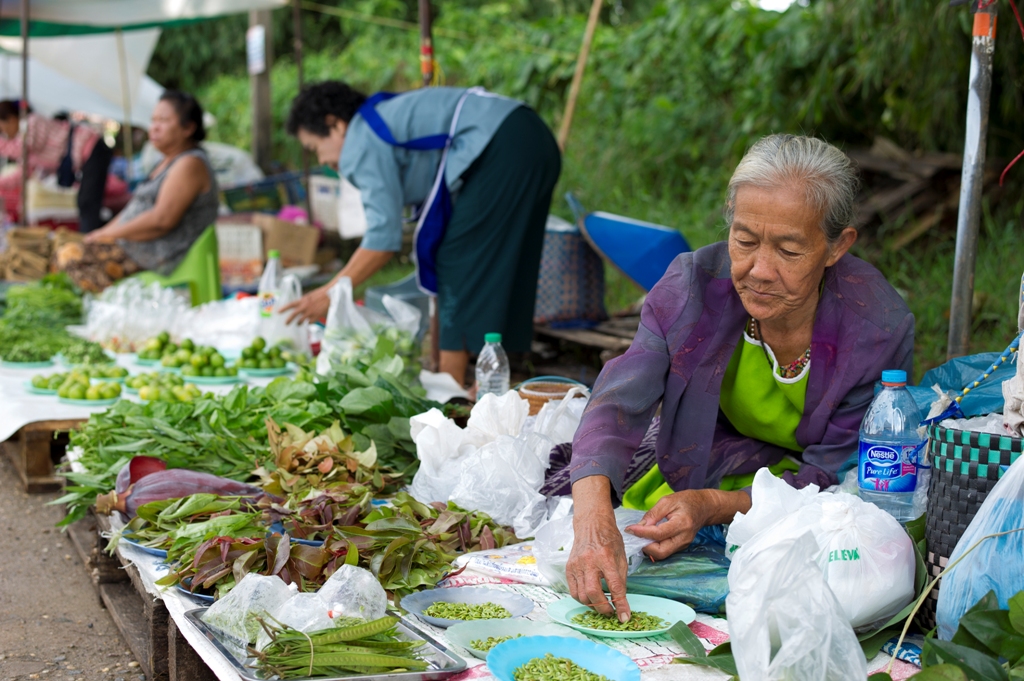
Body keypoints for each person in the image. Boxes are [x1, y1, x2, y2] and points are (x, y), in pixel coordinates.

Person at [562, 134, 914, 622]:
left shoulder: (876, 327)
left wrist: (711, 506)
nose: (759, 271)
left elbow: (834, 470)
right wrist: (592, 521)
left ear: (836, 247)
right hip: (708, 459)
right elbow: (619, 401)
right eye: (744, 241)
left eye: (789, 251)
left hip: (808, 495)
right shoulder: (692, 287)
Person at [282, 83, 561, 384]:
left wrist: (329, 293)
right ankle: (504, 373)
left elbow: (382, 240)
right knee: (508, 256)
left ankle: (451, 386)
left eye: (315, 149)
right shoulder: (382, 116)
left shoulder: (360, 141)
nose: (323, 161)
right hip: (532, 136)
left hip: (502, 146)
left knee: (456, 256)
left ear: (334, 124)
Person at [56, 91, 218, 292]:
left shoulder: (189, 163)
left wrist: (108, 234)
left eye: (164, 120)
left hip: (159, 255)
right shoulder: (167, 162)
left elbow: (162, 220)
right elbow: (133, 210)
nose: (154, 128)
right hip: (136, 247)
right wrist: (101, 233)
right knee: (64, 253)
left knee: (72, 258)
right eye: (153, 120)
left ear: (189, 128)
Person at [0, 101, 112, 231]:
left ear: (11, 119)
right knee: (85, 202)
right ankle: (92, 238)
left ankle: (91, 242)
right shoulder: (28, 149)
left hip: (92, 147)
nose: (4, 134)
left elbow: (19, 149)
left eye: (1, 129)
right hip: (87, 155)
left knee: (87, 202)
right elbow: (23, 173)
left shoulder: (32, 122)